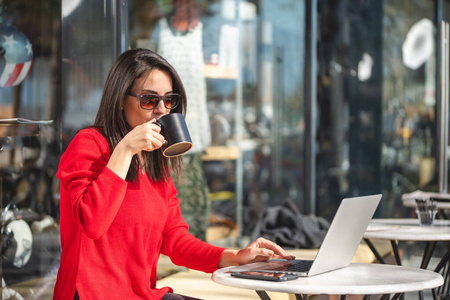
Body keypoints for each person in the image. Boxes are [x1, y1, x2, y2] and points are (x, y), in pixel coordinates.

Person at [53, 48, 294, 300]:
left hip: (143, 295)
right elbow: (92, 223)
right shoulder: (89, 144)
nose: (161, 110)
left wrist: (233, 257)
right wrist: (124, 149)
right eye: (149, 99)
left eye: (168, 100)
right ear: (121, 99)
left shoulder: (156, 163)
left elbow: (176, 240)